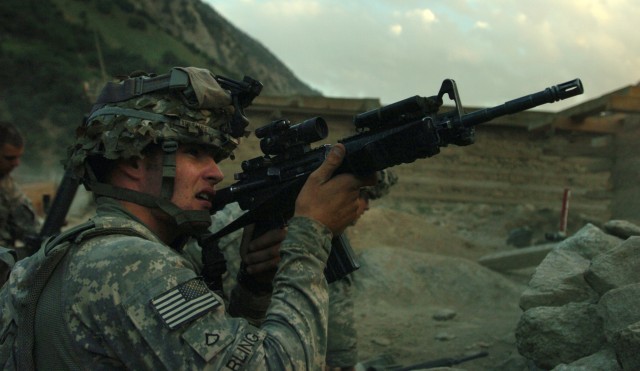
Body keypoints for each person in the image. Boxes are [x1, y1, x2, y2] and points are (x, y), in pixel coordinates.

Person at [0, 67, 371, 369]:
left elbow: (222, 350)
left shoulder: (82, 251)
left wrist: (254, 289)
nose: (215, 173)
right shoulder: (135, 265)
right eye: (194, 152)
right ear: (133, 160)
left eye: (214, 157)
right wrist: (311, 234)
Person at [325, 169, 398, 371]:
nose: (366, 207)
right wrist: (346, 365)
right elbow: (336, 306)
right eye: (364, 196)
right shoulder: (322, 232)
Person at [0, 121, 40, 276]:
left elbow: (26, 225)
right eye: (9, 158)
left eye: (18, 157)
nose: (17, 164)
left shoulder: (6, 183)